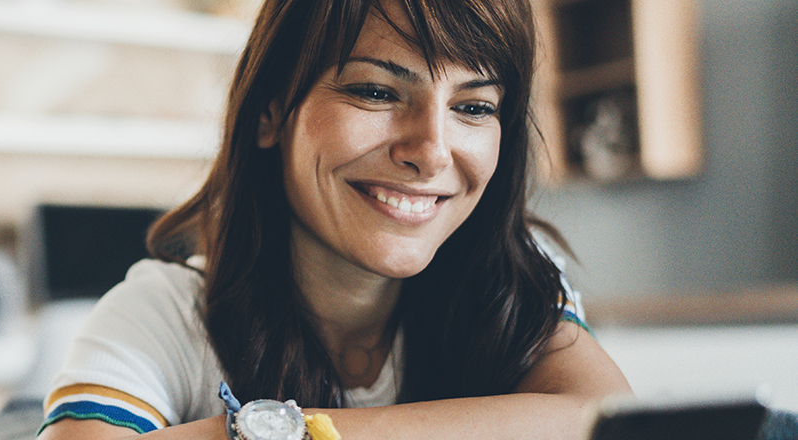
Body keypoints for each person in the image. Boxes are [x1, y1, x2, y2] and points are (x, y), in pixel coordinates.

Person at [36, 0, 633, 438]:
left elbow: (605, 420)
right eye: (377, 92)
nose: (431, 149)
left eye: (474, 107)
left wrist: (276, 433)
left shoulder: (513, 278)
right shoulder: (163, 312)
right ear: (271, 111)